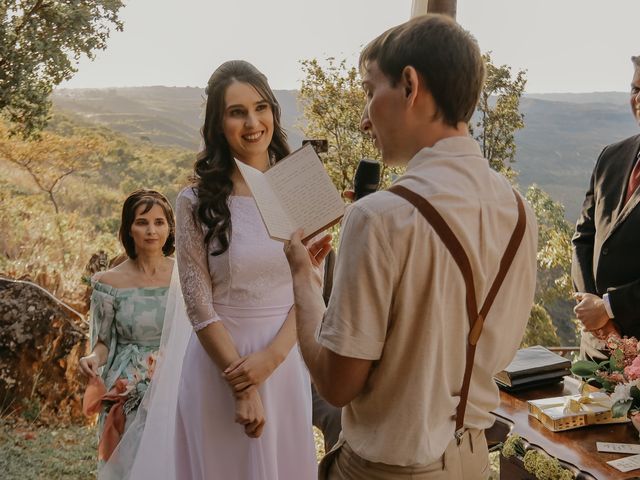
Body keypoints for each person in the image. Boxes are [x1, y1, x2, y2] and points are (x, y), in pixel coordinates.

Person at [284, 14, 538, 479]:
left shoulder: (380, 217)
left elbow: (337, 385)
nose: (363, 120)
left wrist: (304, 282)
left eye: (368, 90)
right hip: (473, 462)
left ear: (409, 85)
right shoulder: (519, 211)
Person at [172, 60, 316, 479]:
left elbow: (309, 288)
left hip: (285, 362)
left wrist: (271, 360)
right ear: (218, 123)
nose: (253, 122)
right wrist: (243, 384)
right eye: (237, 112)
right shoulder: (193, 201)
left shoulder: (299, 187)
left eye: (261, 107)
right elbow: (198, 305)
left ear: (273, 111)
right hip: (220, 366)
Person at [79, 189, 175, 466]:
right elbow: (103, 343)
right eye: (142, 222)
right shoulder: (108, 282)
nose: (151, 230)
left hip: (173, 379)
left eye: (159, 222)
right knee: (129, 464)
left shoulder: (184, 277)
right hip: (126, 383)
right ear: (128, 229)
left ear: (169, 227)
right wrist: (91, 359)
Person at [572, 55, 640, 354]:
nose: (638, 98)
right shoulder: (610, 158)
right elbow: (582, 239)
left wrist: (610, 308)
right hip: (595, 351)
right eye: (635, 89)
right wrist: (595, 313)